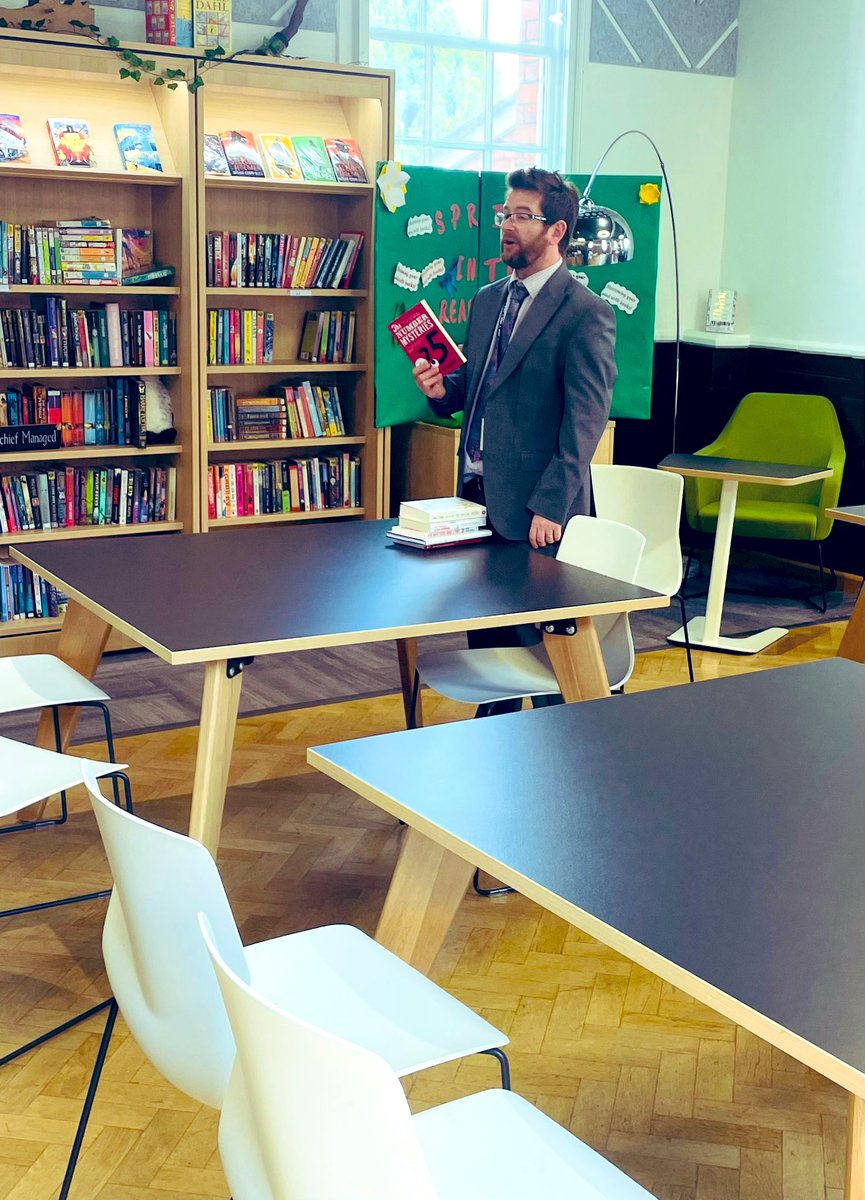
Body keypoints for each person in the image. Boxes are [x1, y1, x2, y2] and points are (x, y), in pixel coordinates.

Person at [412, 167, 617, 550]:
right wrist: (441, 390)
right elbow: (480, 383)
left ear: (557, 231)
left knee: (547, 611)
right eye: (505, 214)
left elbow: (585, 423)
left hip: (537, 509)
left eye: (523, 216)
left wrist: (552, 506)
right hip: (474, 493)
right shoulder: (488, 299)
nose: (508, 225)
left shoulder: (586, 313)